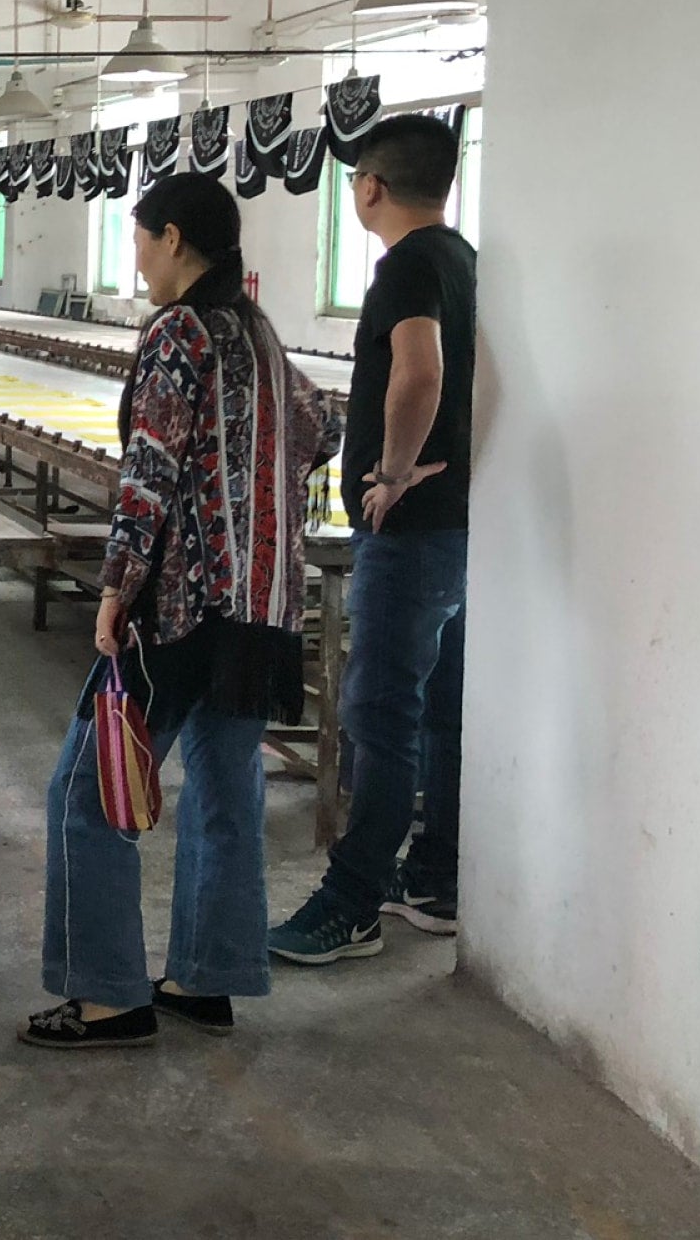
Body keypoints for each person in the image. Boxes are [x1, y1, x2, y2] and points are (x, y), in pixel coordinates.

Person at [19, 174, 339, 1049]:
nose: (137, 261)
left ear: (172, 238)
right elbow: (320, 428)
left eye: (137, 241)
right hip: (262, 614)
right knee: (225, 792)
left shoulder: (179, 332)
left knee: (88, 791)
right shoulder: (258, 332)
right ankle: (207, 975)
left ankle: (108, 998)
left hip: (184, 611)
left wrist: (116, 587)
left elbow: (149, 471)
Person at [269, 114, 475, 965]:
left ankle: (351, 904)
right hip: (461, 522)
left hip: (411, 529)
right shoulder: (465, 259)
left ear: (371, 188)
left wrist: (390, 473)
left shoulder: (404, 266)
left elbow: (419, 373)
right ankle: (435, 878)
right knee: (443, 709)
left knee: (380, 712)